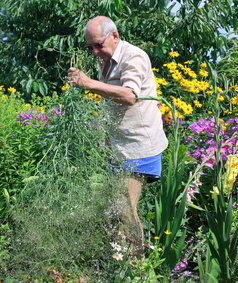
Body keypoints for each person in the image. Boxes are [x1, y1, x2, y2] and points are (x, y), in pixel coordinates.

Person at [68, 16, 168, 255]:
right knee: (115, 209)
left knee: (124, 207)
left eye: (98, 45)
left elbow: (129, 95)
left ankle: (139, 267)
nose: (94, 51)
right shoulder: (107, 59)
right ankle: (123, 261)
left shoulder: (134, 57)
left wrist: (88, 83)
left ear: (114, 35)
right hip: (118, 146)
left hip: (139, 146)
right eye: (90, 47)